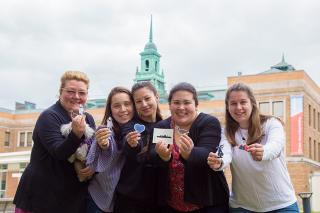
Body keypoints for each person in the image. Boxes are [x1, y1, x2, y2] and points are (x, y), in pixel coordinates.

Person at [207, 82, 299, 213]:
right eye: (233, 103)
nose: (238, 107)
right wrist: (219, 161)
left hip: (281, 205)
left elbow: (276, 145)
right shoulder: (226, 131)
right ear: (228, 107)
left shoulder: (272, 123)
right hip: (242, 206)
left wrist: (264, 151)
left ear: (252, 104)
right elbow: (224, 151)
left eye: (243, 102)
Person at [14, 71, 96, 213]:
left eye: (82, 93)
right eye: (70, 91)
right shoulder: (49, 116)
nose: (76, 97)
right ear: (60, 92)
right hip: (41, 196)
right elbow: (59, 152)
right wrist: (76, 133)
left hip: (71, 197)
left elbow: (91, 150)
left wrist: (93, 166)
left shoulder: (88, 118)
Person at [154, 82, 229, 213]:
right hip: (172, 205)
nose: (181, 107)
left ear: (196, 105)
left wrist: (190, 153)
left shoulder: (208, 122)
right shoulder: (163, 126)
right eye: (176, 102)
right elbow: (152, 157)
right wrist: (163, 156)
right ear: (170, 105)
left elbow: (207, 153)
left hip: (208, 204)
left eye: (187, 102)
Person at [114, 81, 163, 213]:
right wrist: (132, 144)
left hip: (157, 199)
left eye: (147, 98)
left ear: (156, 97)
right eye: (138, 101)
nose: (144, 104)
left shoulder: (164, 125)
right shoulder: (131, 126)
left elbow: (161, 159)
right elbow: (129, 147)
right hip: (130, 199)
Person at [86, 87, 135, 213]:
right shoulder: (105, 131)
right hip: (98, 197)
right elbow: (106, 146)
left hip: (121, 200)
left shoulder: (138, 129)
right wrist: (103, 144)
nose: (123, 109)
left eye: (127, 104)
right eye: (117, 106)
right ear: (110, 110)